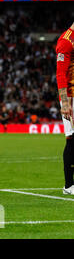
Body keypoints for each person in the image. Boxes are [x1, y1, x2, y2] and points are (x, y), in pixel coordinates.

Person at [56, 22, 74, 195]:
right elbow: (60, 73)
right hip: (71, 96)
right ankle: (69, 185)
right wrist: (65, 102)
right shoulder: (66, 41)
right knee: (72, 138)